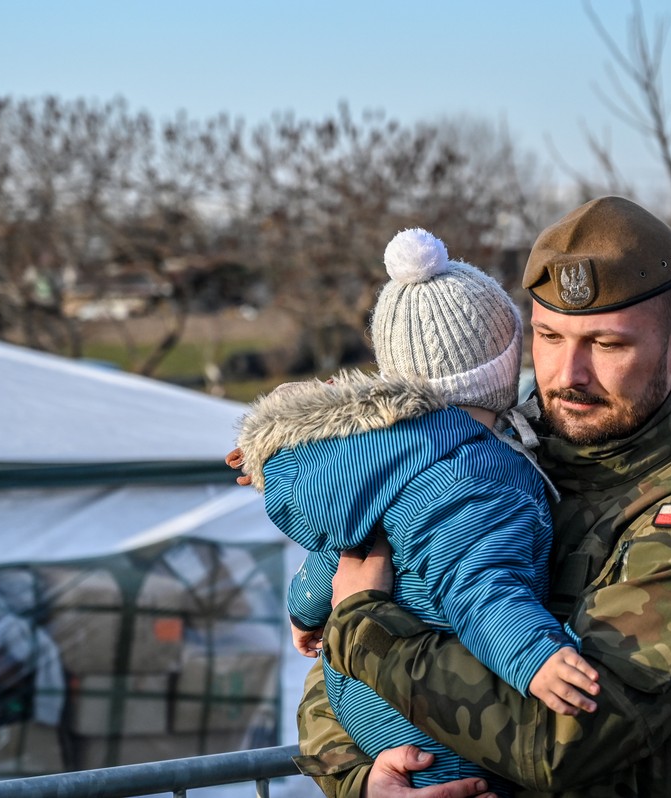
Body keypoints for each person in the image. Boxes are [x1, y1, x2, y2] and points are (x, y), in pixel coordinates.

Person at [295, 196, 671, 798]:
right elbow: (331, 676)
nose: (567, 374)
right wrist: (365, 781)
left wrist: (367, 628)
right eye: (548, 336)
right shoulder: (482, 462)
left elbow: (561, 741)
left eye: (607, 345)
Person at [228, 228, 599, 796]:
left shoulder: (370, 468)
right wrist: (536, 658)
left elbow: (334, 558)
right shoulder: (481, 476)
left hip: (371, 715)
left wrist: (306, 613)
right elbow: (482, 585)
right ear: (502, 368)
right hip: (444, 738)